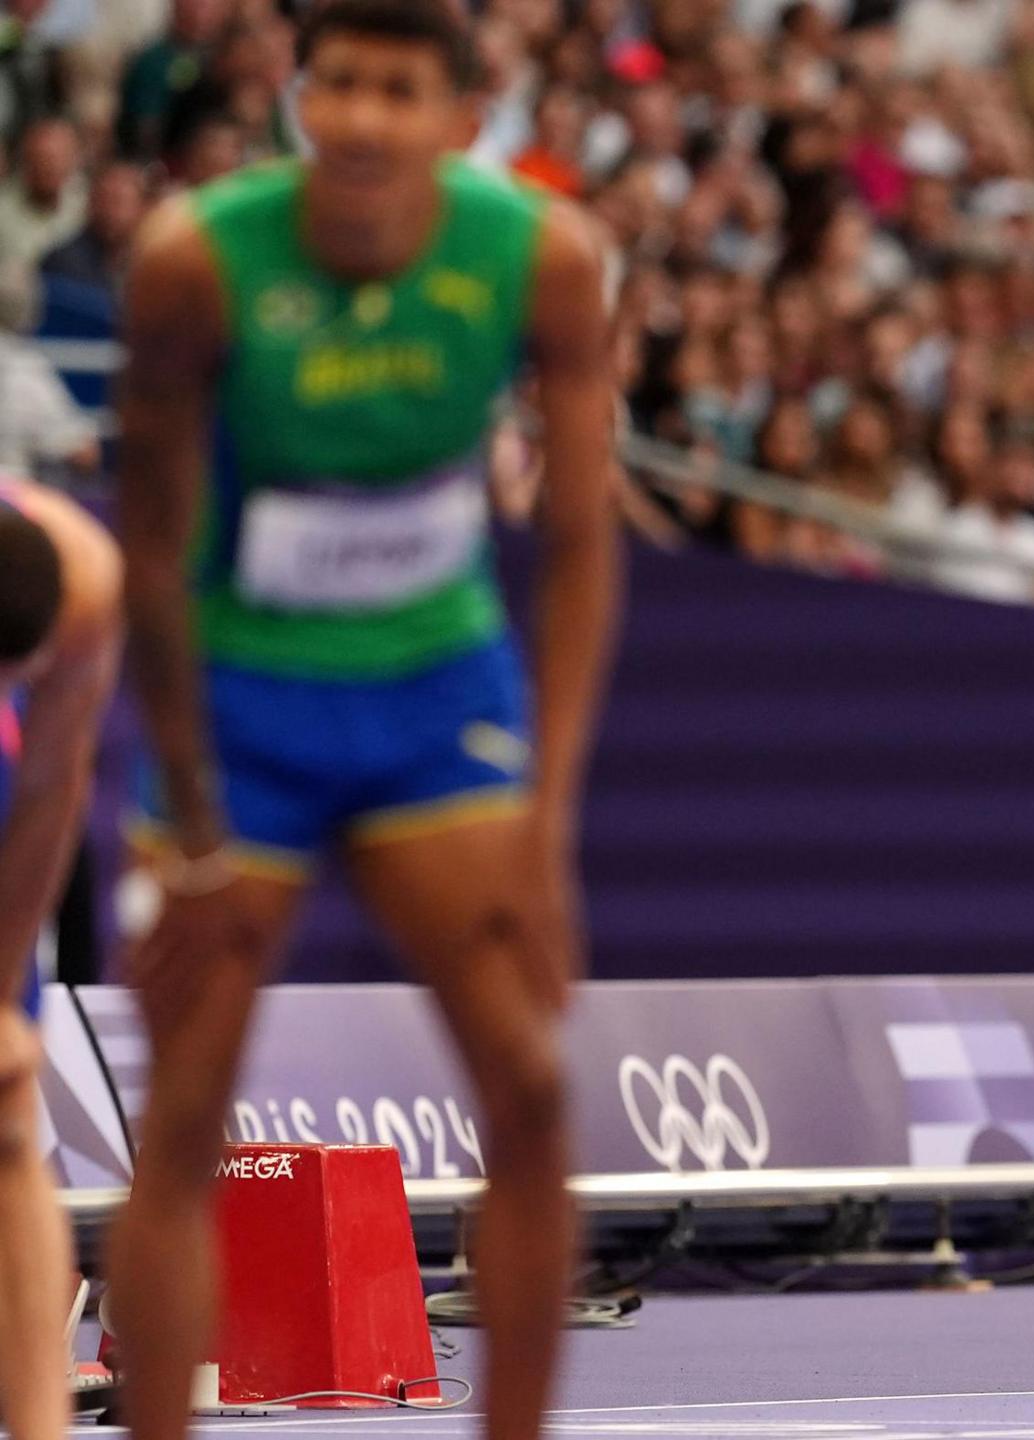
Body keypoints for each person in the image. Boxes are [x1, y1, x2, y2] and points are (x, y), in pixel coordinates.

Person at [101, 0, 621, 1434]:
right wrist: (191, 814)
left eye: (401, 92)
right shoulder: (193, 262)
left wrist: (548, 828)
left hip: (433, 694)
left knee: (528, 1088)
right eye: (339, 85)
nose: (365, 120)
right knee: (184, 1121)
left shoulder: (545, 258)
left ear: (462, 121)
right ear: (297, 98)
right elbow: (147, 551)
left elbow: (580, 549)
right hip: (239, 697)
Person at [0, 486, 120, 1440]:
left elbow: (48, 796)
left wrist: (4, 995)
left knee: (7, 1105)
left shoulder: (83, 583)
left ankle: (37, 1421)